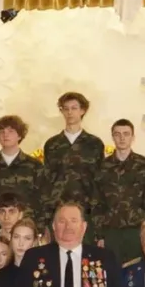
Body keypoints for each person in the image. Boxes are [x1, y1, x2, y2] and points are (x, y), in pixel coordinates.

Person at [94, 118, 145, 261]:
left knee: (136, 271)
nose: (122, 138)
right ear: (112, 137)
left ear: (133, 137)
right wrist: (99, 235)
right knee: (111, 270)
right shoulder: (103, 166)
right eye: (117, 134)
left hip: (137, 230)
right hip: (110, 231)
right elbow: (96, 202)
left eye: (126, 134)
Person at [0, 114, 44, 239]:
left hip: (26, 231)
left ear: (19, 135)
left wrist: (39, 232)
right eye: (1, 131)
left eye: (11, 131)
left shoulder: (34, 166)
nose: (5, 135)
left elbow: (41, 200)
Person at [42, 92, 105, 222]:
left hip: (87, 211)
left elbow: (100, 180)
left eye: (74, 108)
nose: (69, 112)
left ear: (82, 110)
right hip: (57, 210)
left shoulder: (94, 144)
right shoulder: (52, 144)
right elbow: (46, 181)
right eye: (66, 108)